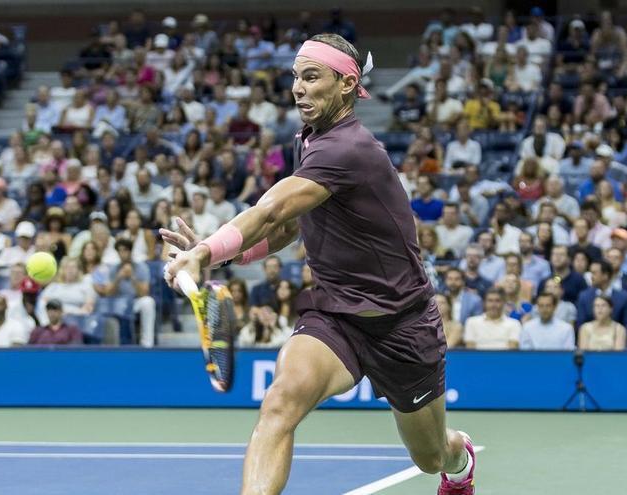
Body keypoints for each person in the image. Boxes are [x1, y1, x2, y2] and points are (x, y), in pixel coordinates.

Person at [162, 34, 475, 494]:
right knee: (279, 403)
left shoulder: (349, 148)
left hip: (402, 325)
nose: (297, 88)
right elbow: (288, 227)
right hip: (335, 318)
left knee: (430, 458)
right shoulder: (308, 141)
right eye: (295, 77)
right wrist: (222, 256)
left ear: (347, 84)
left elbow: (269, 210)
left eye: (312, 77)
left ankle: (459, 458)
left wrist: (206, 251)